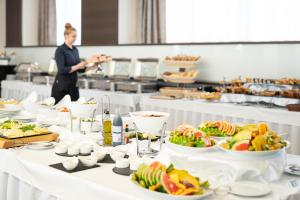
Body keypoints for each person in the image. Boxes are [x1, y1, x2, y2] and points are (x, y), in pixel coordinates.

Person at [51, 23, 92, 103]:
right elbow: (62, 70)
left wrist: (93, 66)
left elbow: (80, 70)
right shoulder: (60, 50)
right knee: (60, 112)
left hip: (73, 87)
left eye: (76, 36)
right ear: (66, 36)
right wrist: (79, 65)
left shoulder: (75, 50)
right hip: (62, 87)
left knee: (75, 111)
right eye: (73, 36)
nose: (75, 38)